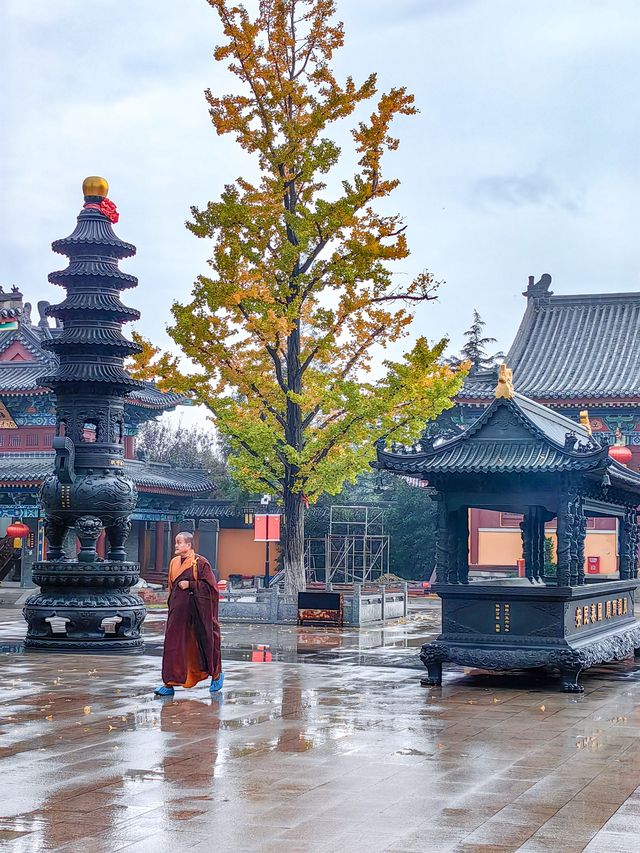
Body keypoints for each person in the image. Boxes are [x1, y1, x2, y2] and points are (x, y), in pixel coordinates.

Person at [154, 531, 224, 697]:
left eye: (179, 542)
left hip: (197, 614)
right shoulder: (173, 563)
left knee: (205, 641)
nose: (176, 546)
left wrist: (192, 585)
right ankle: (169, 682)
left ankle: (216, 675)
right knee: (173, 647)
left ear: (189, 545)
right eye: (176, 542)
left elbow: (211, 589)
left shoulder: (200, 563)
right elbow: (171, 588)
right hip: (177, 614)